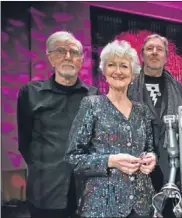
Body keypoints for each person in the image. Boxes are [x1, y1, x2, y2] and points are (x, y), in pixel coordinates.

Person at [65, 40, 156, 217]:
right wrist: (110, 161)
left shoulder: (142, 111)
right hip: (102, 206)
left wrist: (151, 158)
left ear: (133, 73)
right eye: (112, 65)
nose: (118, 71)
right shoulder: (92, 105)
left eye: (124, 66)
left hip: (142, 205)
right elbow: (72, 158)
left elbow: (149, 150)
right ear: (104, 71)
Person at [17, 31, 99, 218]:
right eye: (61, 51)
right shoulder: (30, 93)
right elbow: (25, 142)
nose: (68, 57)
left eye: (74, 52)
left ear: (81, 60)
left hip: (84, 190)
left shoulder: (93, 96)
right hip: (45, 191)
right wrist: (43, 168)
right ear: (50, 57)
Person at [127, 34, 182, 217]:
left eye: (159, 49)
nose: (154, 52)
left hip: (170, 165)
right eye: (149, 48)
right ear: (142, 55)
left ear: (166, 56)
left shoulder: (178, 88)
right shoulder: (128, 85)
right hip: (138, 163)